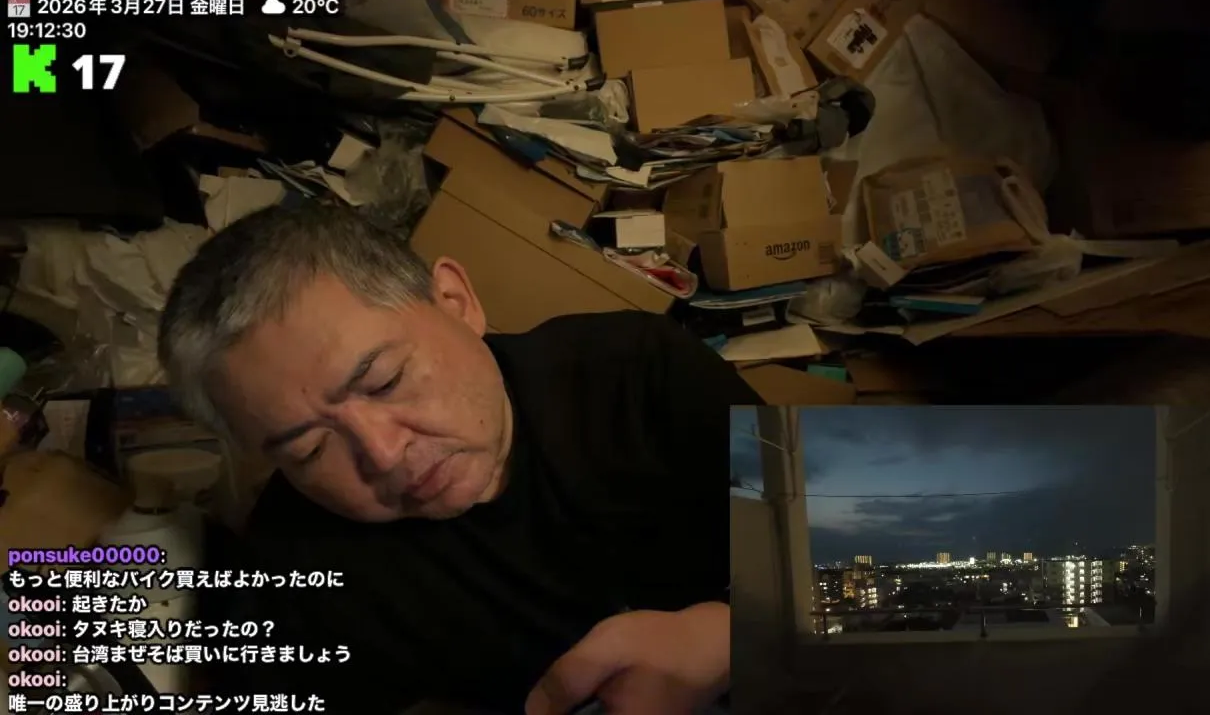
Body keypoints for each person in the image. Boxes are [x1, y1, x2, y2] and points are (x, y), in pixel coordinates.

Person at [158, 202, 761, 715]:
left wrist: (727, 639)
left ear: (456, 301)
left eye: (385, 381)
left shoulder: (639, 371)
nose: (383, 455)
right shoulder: (291, 578)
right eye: (308, 449)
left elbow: (827, 546)